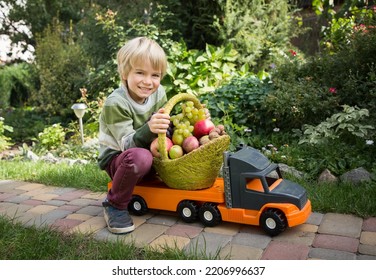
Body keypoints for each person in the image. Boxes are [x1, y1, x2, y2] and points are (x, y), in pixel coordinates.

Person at [98, 37, 170, 234]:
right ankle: (114, 205)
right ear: (124, 73)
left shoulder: (158, 93)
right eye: (140, 73)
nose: (148, 82)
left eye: (155, 75)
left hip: (146, 151)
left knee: (168, 145)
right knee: (140, 156)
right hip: (119, 158)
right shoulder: (116, 103)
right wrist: (150, 128)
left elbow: (163, 126)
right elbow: (127, 144)